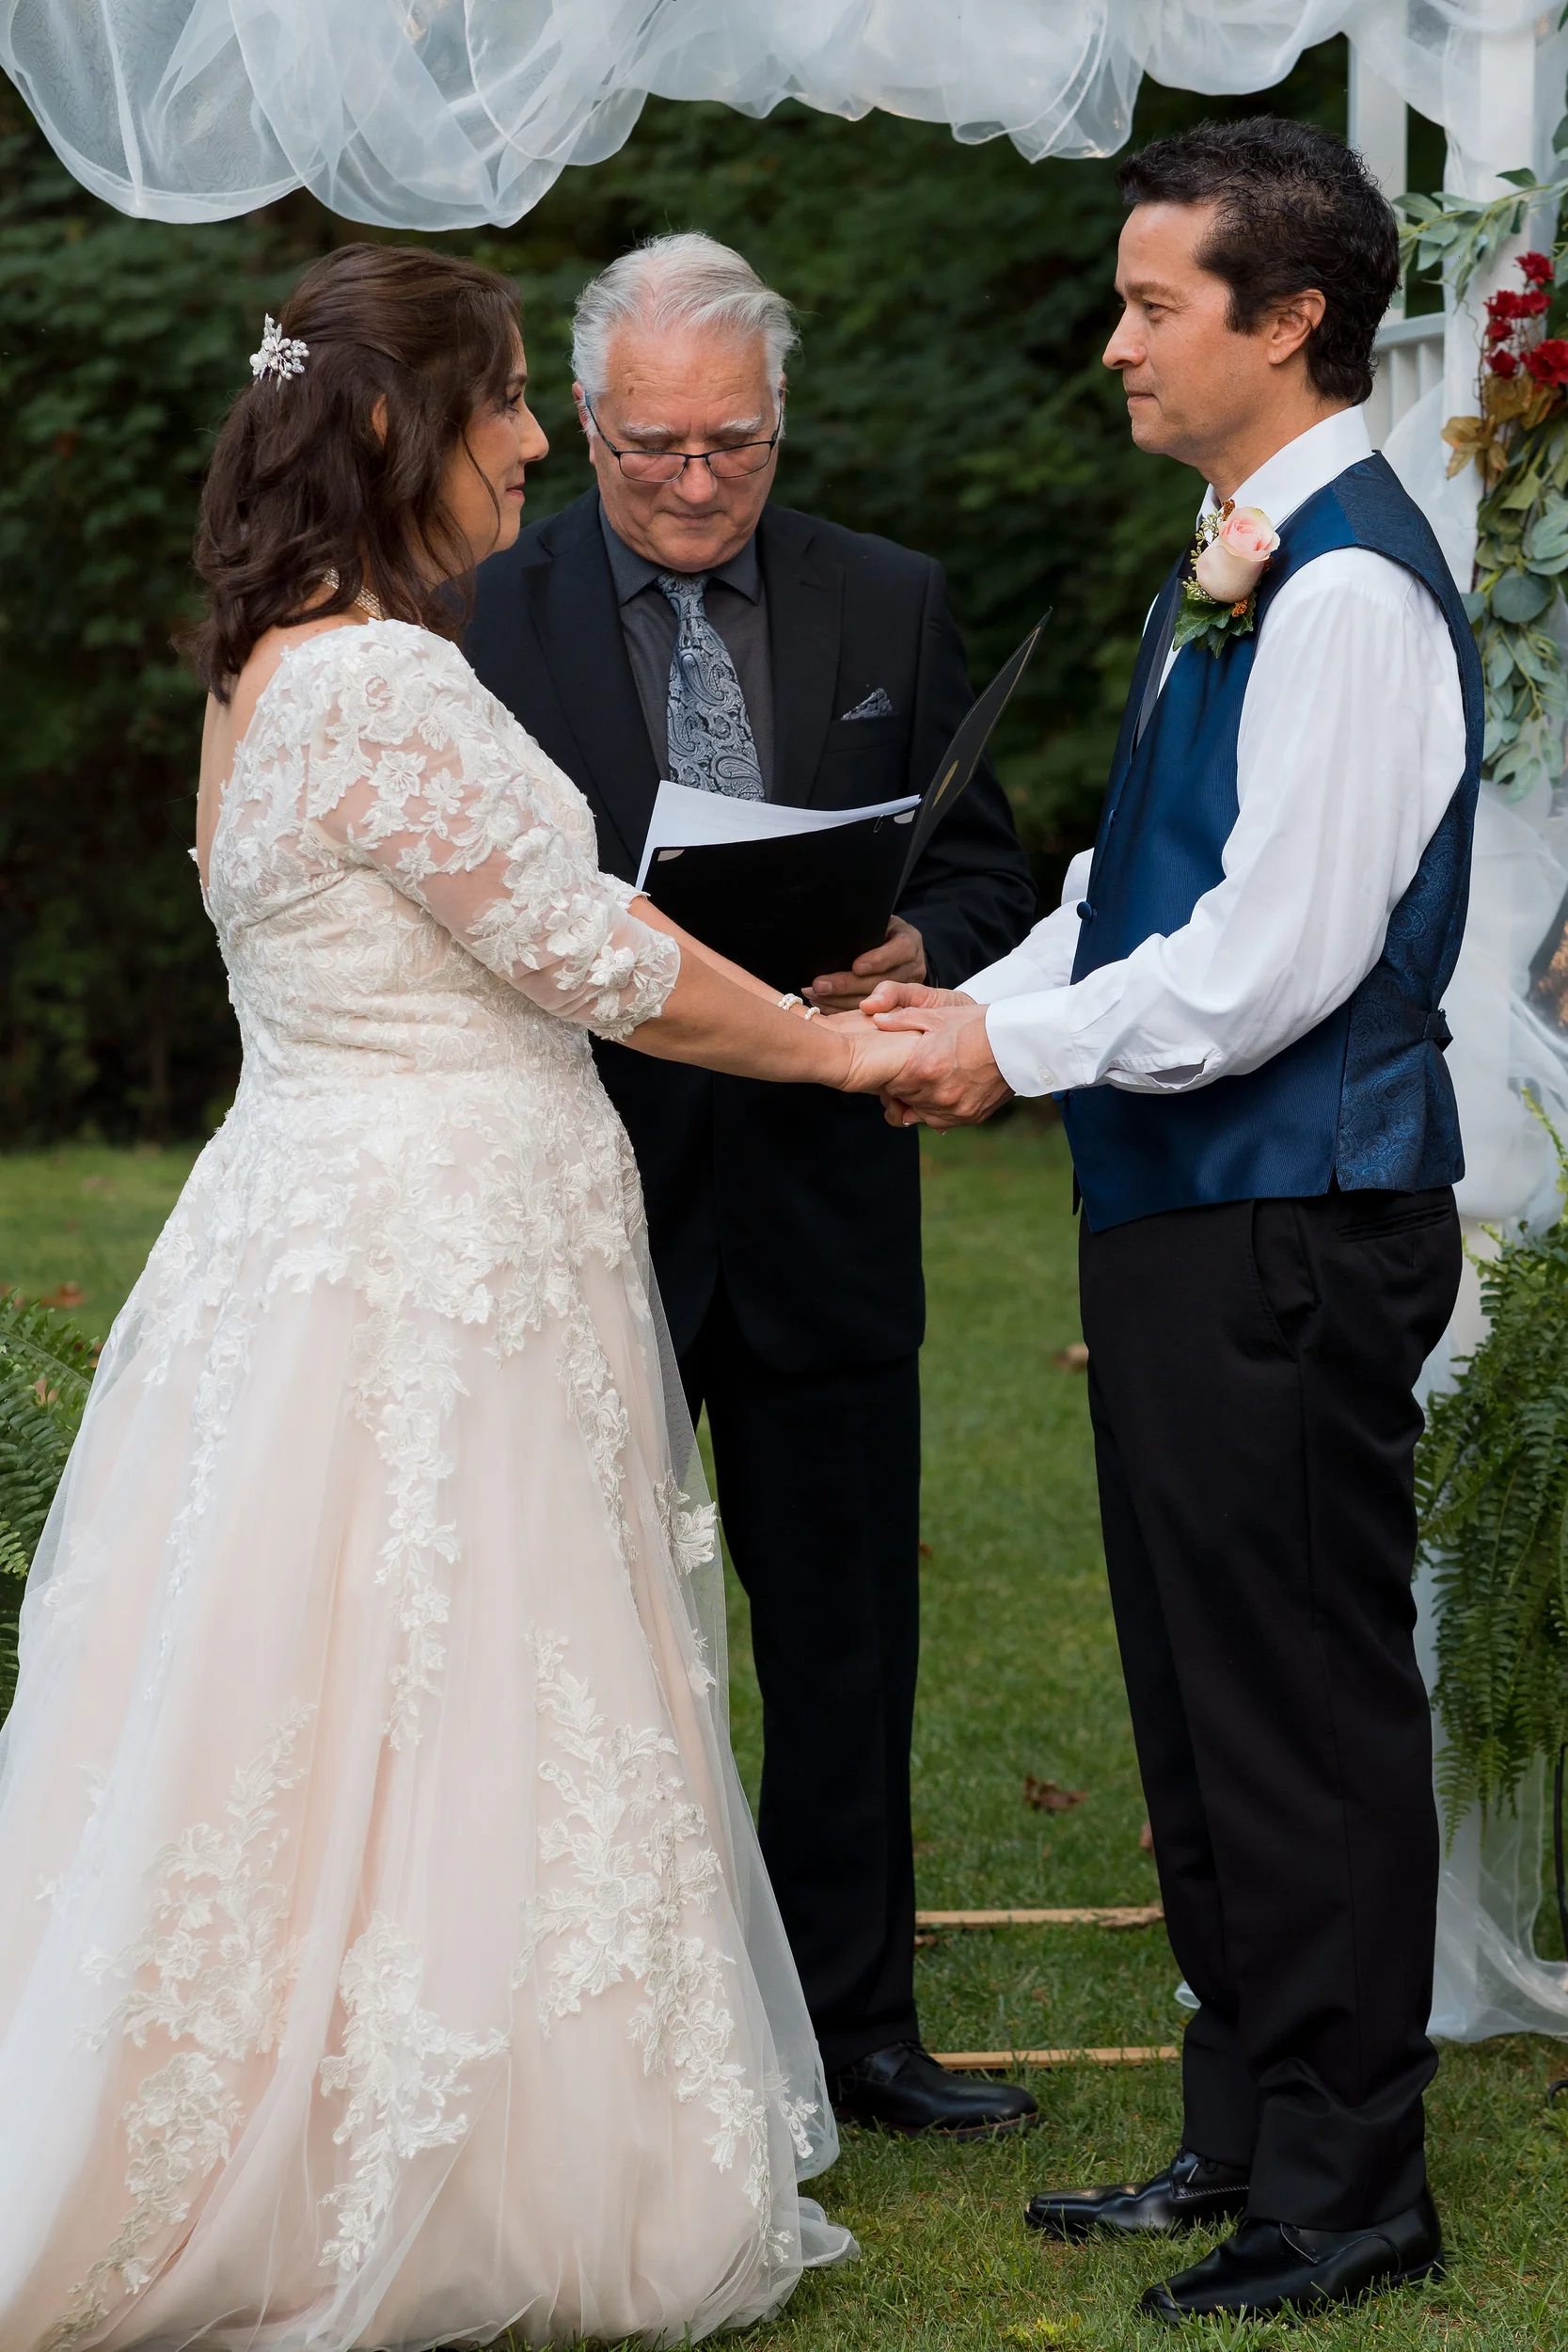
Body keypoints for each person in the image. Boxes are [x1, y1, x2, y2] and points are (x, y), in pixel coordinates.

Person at [0, 244, 927, 2349]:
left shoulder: (264, 666)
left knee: (325, 1691)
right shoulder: (382, 681)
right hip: (427, 1266)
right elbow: (598, 952)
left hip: (328, 1226)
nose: (533, 441)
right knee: (452, 1666)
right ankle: (436, 2153)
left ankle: (336, 2089)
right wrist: (842, 1048)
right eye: (512, 400)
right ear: (410, 427)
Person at [866, 119, 1479, 2323]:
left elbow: (1276, 959)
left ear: (1285, 318)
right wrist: (964, 1000)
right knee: (1196, 1694)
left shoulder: (1337, 593)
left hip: (1288, 1218)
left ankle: (1348, 2188)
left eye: (1151, 302)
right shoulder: (1224, 556)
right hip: (1185, 1217)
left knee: (1297, 1704)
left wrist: (1001, 1061)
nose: (1114, 339)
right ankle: (1241, 2128)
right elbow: (1130, 901)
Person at [466, 233, 1037, 2138]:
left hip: (816, 1193)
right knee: (563, 1621)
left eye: (733, 443)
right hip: (578, 1182)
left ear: (778, 422)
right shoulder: (479, 617)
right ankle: (591, 2029)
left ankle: (857, 2021)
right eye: (650, 449)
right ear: (584, 432)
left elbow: (985, 869)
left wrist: (913, 948)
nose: (695, 482)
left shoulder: (888, 600)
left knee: (839, 1625)